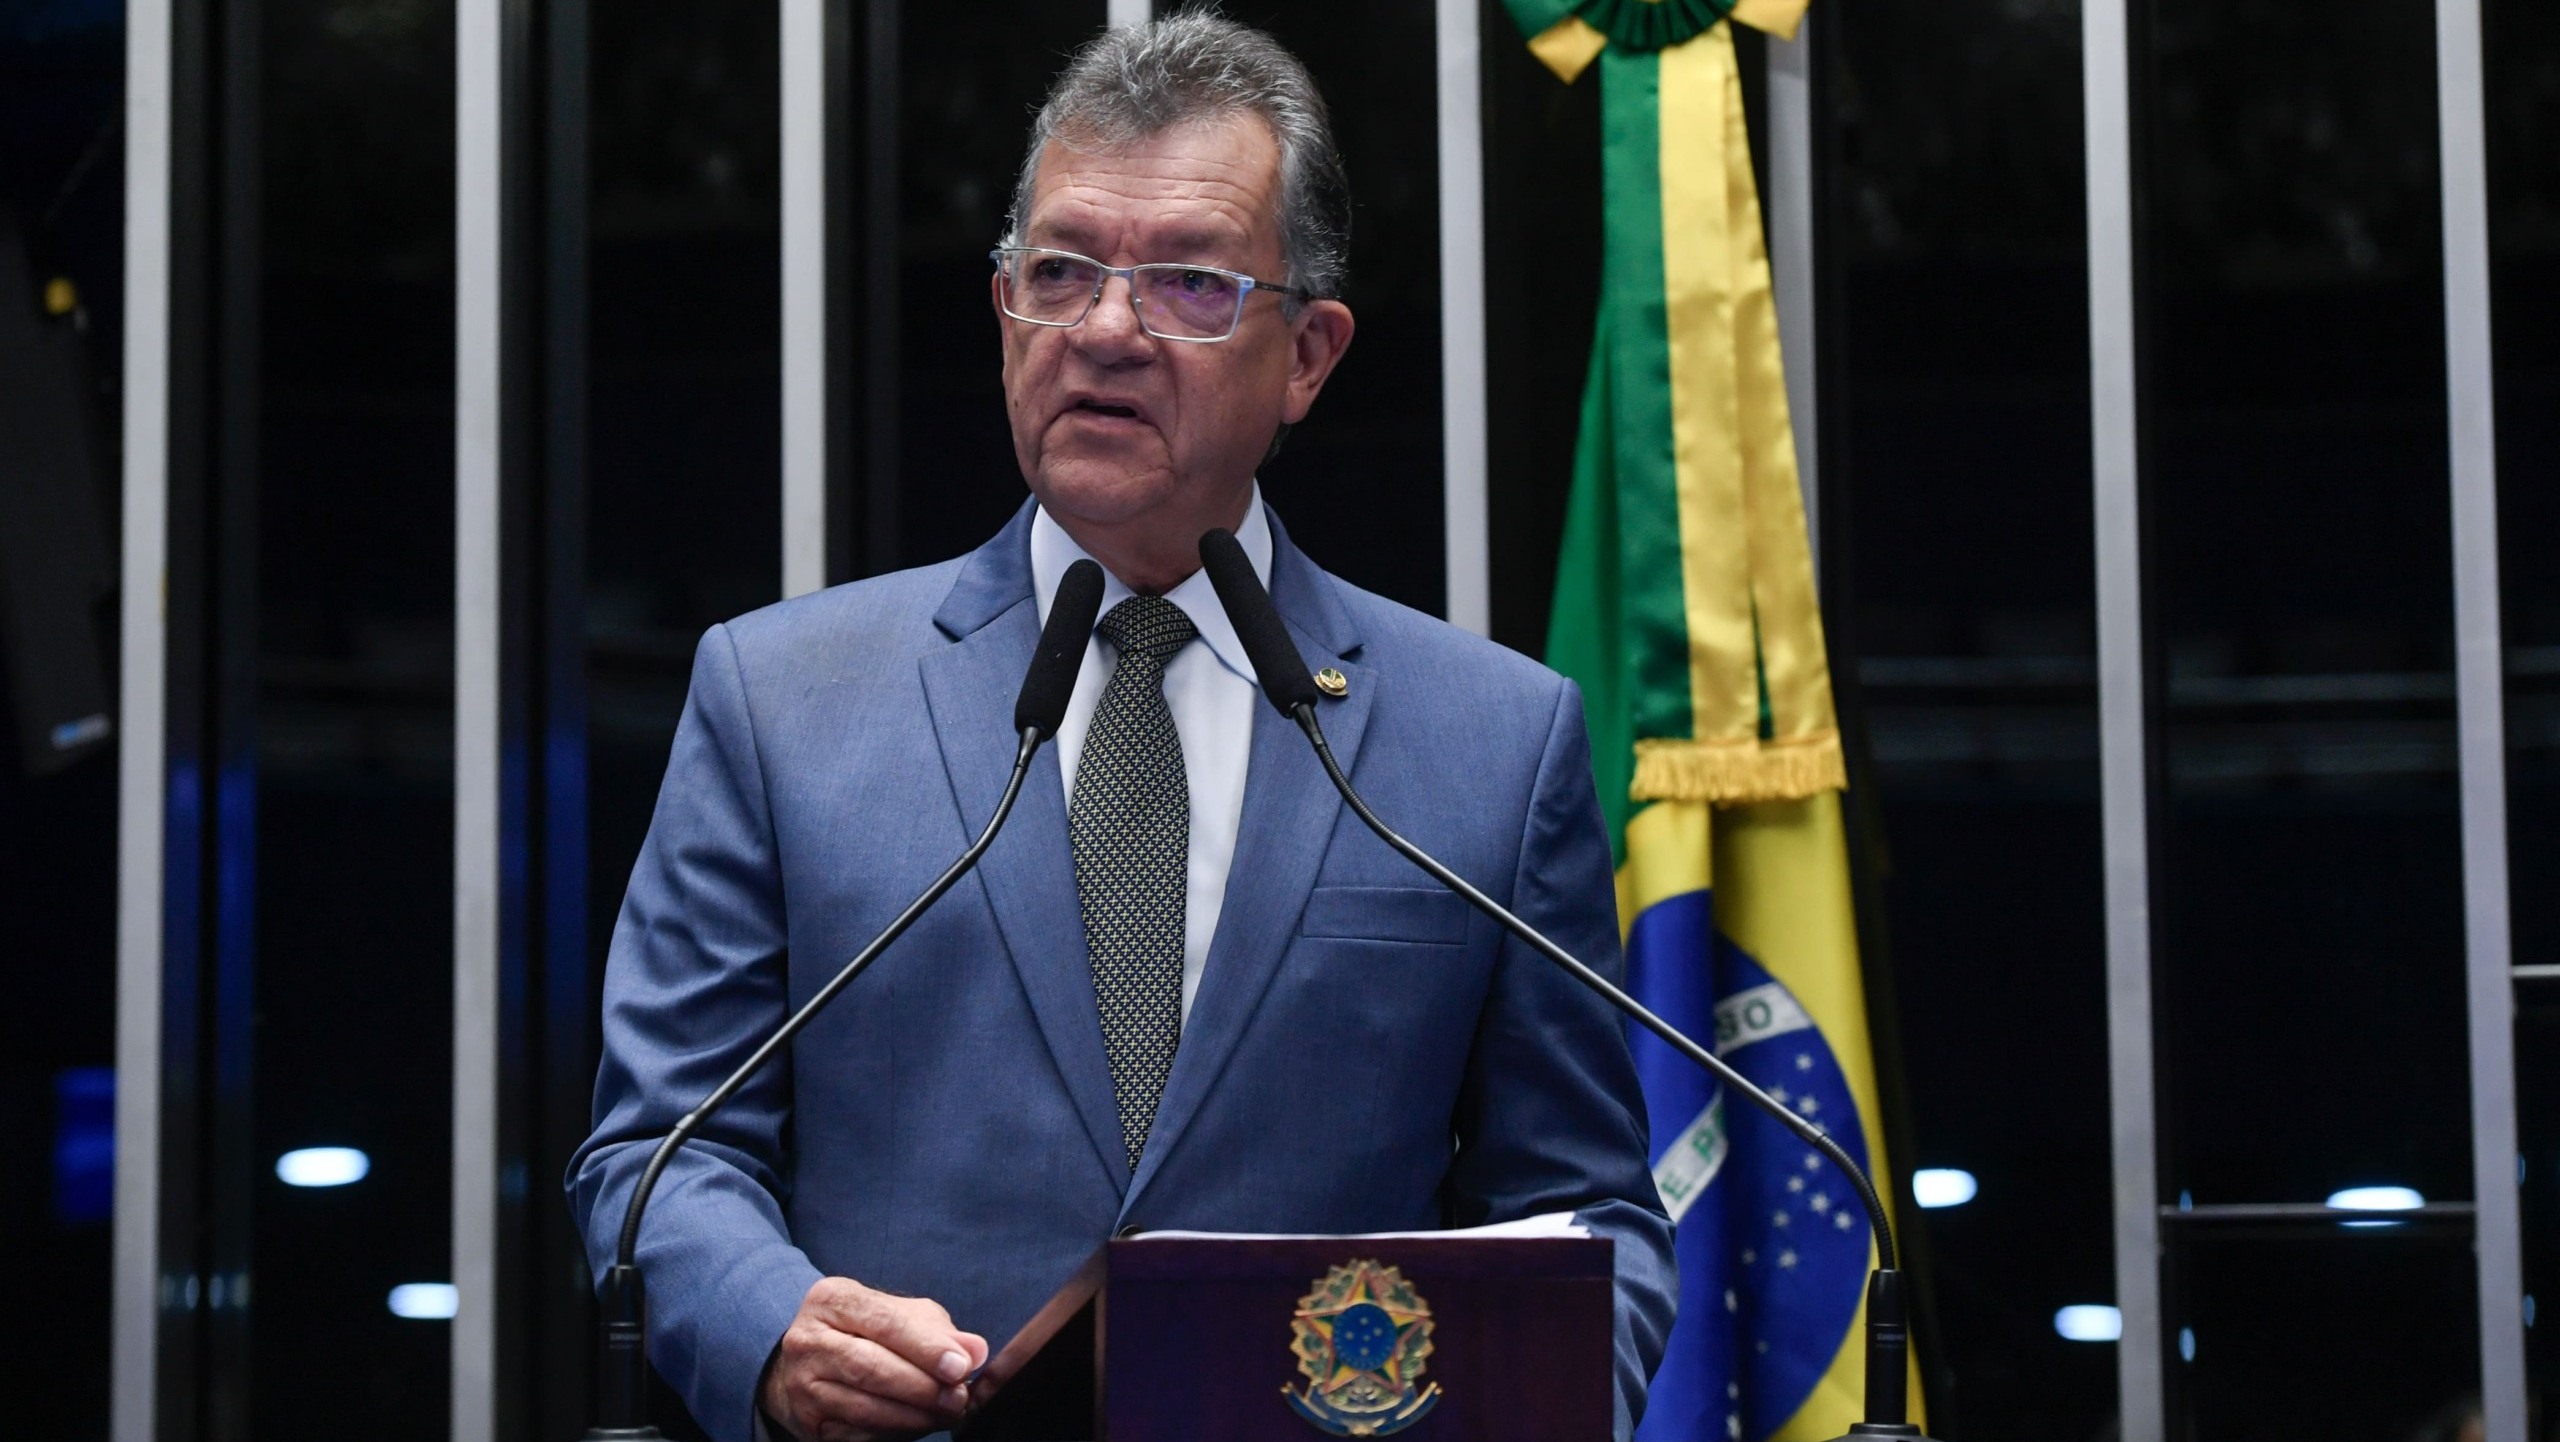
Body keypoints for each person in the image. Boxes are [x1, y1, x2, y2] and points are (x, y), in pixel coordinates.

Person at [567, 15, 1675, 1441]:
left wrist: (1503, 1390)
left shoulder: (1492, 742)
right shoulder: (781, 701)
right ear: (1005, 306)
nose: (1104, 329)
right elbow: (659, 1149)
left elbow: (1586, 1217)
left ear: (1309, 356)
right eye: (1061, 271)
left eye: (1191, 285)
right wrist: (769, 1324)